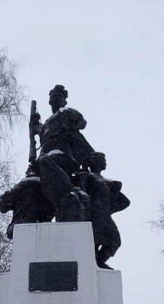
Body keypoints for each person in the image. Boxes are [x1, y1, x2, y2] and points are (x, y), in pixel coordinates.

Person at [30, 85, 94, 221]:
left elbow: (82, 123)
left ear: (65, 100)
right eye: (53, 96)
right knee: (30, 181)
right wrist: (35, 123)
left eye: (59, 96)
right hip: (46, 160)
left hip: (64, 159)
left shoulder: (67, 113)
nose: (55, 99)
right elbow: (41, 131)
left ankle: (69, 195)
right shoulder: (47, 123)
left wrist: (70, 119)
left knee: (46, 161)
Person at [77, 152, 130, 269]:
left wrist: (111, 207)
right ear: (94, 162)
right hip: (93, 216)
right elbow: (82, 194)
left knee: (115, 242)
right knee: (93, 243)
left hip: (105, 216)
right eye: (102, 160)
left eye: (104, 160)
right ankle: (94, 264)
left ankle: (98, 261)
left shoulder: (106, 181)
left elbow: (124, 202)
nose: (104, 162)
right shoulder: (87, 176)